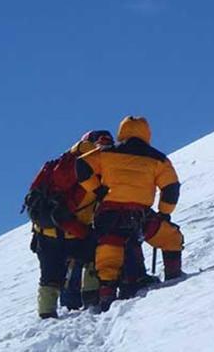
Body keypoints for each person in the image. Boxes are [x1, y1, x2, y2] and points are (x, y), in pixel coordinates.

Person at [77, 116, 184, 312]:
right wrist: (164, 214)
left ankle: (106, 297)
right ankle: (174, 280)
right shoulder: (159, 159)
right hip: (140, 215)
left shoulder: (105, 153)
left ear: (122, 130)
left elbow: (81, 167)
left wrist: (98, 190)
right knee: (171, 239)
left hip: (108, 214)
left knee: (109, 253)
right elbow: (171, 188)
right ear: (147, 133)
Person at [24, 129, 113, 319]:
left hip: (44, 232)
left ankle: (46, 317)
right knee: (94, 256)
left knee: (49, 278)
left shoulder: (57, 165)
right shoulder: (94, 166)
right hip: (74, 231)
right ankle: (92, 301)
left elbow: (33, 194)